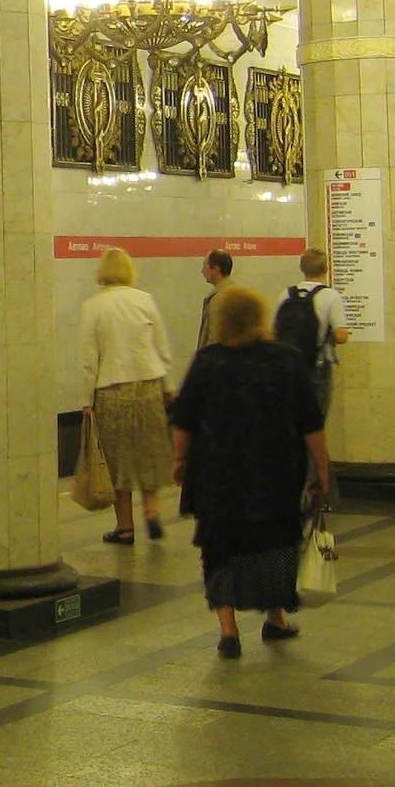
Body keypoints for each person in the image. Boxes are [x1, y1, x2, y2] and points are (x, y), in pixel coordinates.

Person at [172, 284, 332, 659]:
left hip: (217, 473)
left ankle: (228, 631)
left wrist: (180, 461)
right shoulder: (287, 360)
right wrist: (321, 469)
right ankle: (274, 617)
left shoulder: (207, 361)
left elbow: (183, 419)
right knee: (275, 541)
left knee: (219, 545)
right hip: (274, 472)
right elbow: (312, 423)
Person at [78, 248, 175, 546]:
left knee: (117, 461)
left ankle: (125, 527)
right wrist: (168, 387)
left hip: (111, 389)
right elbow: (161, 347)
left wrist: (86, 400)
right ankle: (151, 510)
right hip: (148, 386)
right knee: (148, 452)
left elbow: (87, 359)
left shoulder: (93, 307)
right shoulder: (144, 300)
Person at [287, 247, 350, 419]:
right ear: (326, 269)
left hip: (290, 367)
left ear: (302, 268)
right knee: (316, 420)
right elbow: (341, 336)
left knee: (294, 419)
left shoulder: (286, 295)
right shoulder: (330, 296)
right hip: (318, 366)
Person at [195, 249, 233, 349]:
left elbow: (214, 338)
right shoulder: (233, 293)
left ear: (216, 269)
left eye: (205, 266)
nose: (202, 271)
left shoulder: (219, 299)